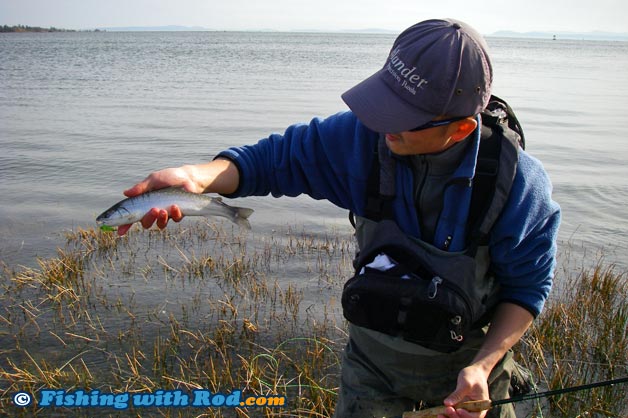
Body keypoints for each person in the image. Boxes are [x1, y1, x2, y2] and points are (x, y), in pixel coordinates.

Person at [118, 19, 560, 418]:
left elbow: (526, 289)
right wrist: (198, 176)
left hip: (469, 379)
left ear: (461, 128)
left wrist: (481, 366)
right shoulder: (362, 138)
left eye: (403, 118)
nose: (383, 125)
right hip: (370, 373)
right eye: (384, 102)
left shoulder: (519, 186)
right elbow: (273, 160)